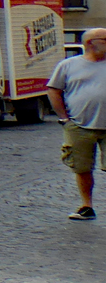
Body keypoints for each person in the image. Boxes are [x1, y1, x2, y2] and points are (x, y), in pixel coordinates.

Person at [48, 27, 106, 222]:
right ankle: (87, 206)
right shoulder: (68, 65)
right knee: (81, 167)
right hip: (79, 126)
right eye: (105, 39)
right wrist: (64, 118)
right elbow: (54, 90)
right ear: (90, 43)